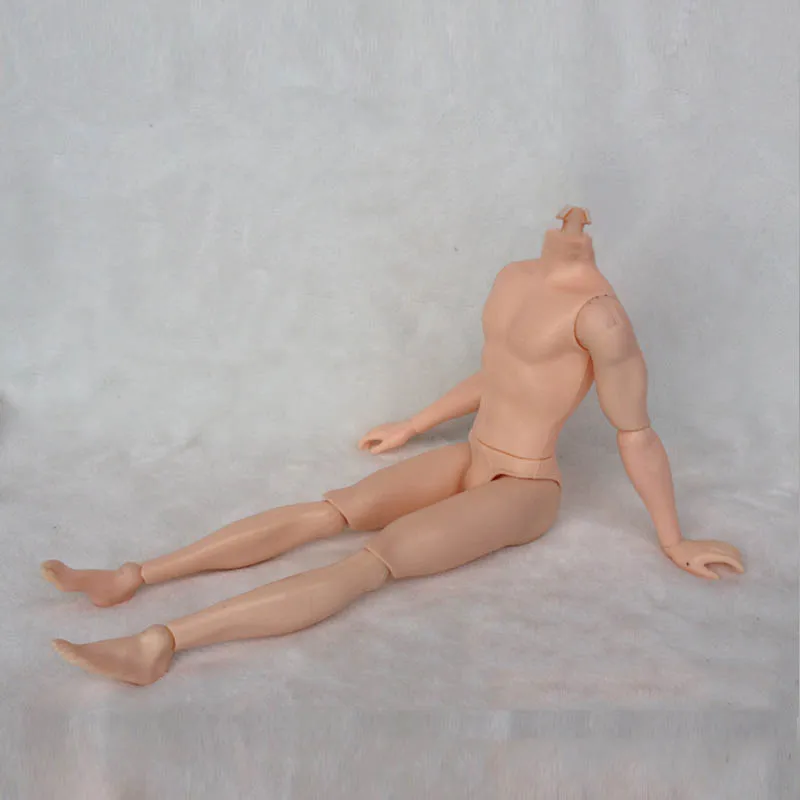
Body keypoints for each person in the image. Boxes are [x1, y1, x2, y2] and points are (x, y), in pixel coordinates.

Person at [42, 206, 744, 685]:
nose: (572, 219)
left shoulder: (602, 320)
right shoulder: (515, 277)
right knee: (329, 511)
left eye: (583, 219)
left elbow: (635, 431)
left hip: (526, 487)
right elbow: (500, 375)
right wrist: (415, 424)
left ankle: (160, 644)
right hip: (473, 455)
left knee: (372, 559)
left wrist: (672, 538)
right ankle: (131, 577)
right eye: (564, 214)